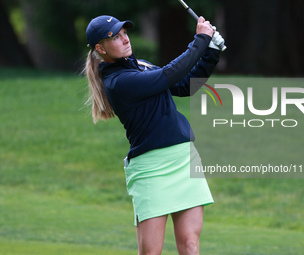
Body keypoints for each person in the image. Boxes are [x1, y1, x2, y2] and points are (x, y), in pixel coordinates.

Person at [84, 14, 224, 255]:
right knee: (151, 252)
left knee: (190, 244)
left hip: (183, 158)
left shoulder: (141, 66)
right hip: (150, 169)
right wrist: (201, 39)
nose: (125, 39)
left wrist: (211, 52)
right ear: (100, 48)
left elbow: (185, 85)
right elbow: (168, 75)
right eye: (115, 37)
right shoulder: (118, 81)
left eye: (124, 33)